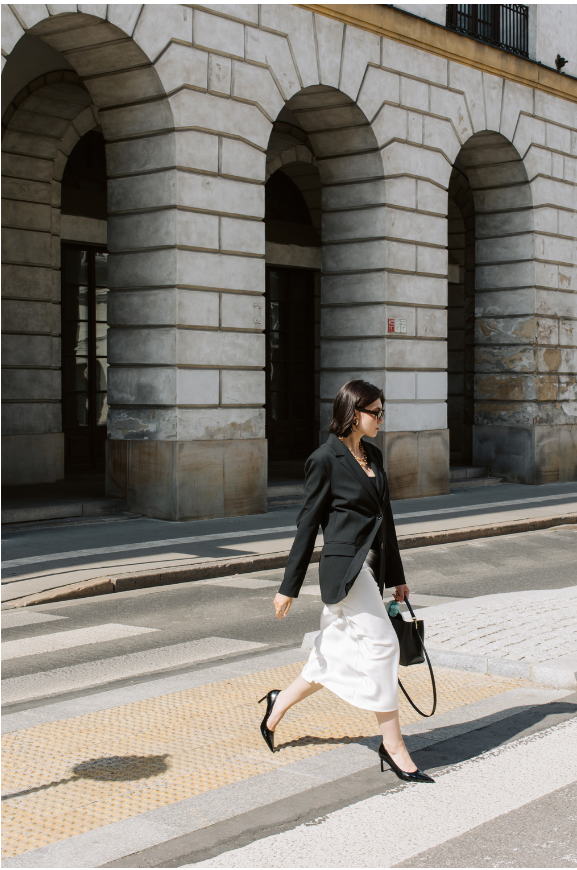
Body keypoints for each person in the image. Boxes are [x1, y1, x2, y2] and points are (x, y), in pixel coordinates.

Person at [258, 380, 434, 784]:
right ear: (354, 412)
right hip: (346, 571)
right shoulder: (324, 459)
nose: (381, 419)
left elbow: (384, 518)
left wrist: (399, 578)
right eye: (376, 412)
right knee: (384, 644)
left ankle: (277, 705)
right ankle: (393, 747)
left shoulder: (372, 454)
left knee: (331, 657)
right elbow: (307, 524)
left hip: (374, 568)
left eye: (382, 411)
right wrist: (289, 586)